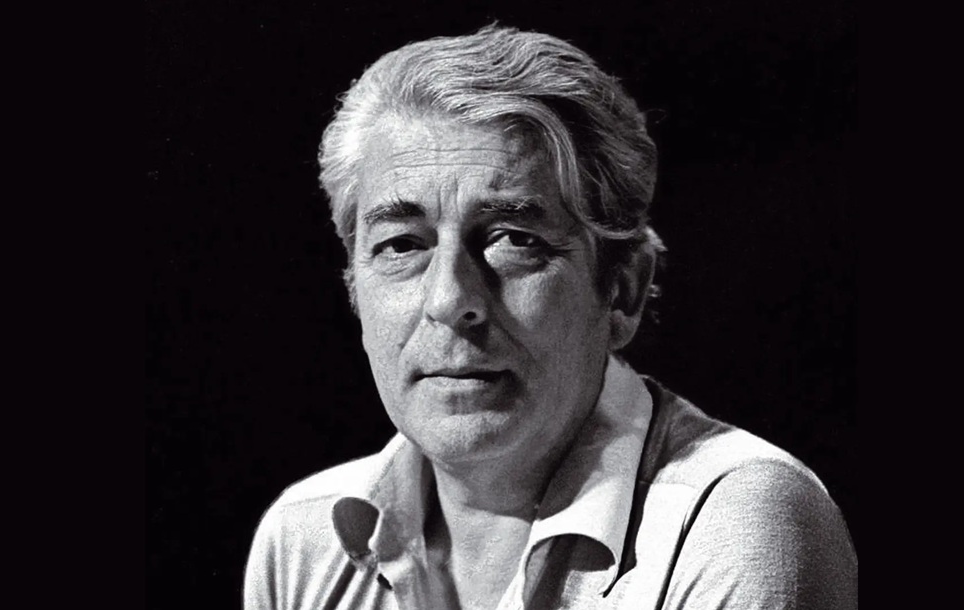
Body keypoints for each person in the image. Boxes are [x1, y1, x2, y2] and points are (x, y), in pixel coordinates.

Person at [243, 25, 857, 609]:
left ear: (623, 291)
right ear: (355, 288)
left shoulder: (733, 523)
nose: (449, 300)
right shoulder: (304, 541)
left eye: (514, 239)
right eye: (402, 245)